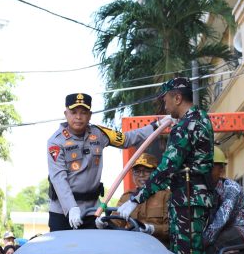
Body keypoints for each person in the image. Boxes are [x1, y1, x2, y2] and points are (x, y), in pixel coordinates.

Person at [117, 77, 214, 254]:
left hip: (187, 201)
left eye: (166, 100)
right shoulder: (201, 119)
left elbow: (167, 167)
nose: (165, 106)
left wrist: (136, 199)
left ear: (177, 98)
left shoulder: (186, 125)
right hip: (192, 200)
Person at [47, 92, 161, 231]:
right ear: (66, 114)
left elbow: (126, 139)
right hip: (63, 212)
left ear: (90, 115)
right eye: (74, 112)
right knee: (62, 245)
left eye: (83, 112)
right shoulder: (56, 142)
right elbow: (58, 178)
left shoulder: (99, 134)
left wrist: (155, 126)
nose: (78, 117)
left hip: (92, 210)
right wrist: (71, 207)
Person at [105, 154, 170, 245]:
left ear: (156, 173)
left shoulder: (166, 195)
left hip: (159, 248)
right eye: (137, 171)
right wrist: (105, 224)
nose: (141, 175)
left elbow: (173, 229)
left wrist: (152, 229)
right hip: (133, 247)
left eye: (147, 171)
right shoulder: (127, 197)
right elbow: (116, 223)